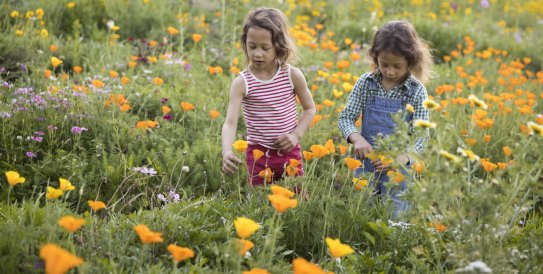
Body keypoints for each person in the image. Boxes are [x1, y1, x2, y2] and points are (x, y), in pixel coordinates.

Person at [338, 20, 433, 216]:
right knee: (361, 213)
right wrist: (357, 138)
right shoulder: (366, 83)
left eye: (397, 66)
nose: (389, 71)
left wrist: (403, 157)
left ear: (411, 61)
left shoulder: (416, 91)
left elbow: (421, 136)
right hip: (366, 163)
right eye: (384, 64)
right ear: (375, 58)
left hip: (400, 170)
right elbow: (346, 118)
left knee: (396, 216)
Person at [221, 7, 316, 186]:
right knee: (260, 205)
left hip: (290, 153)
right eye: (252, 46)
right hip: (258, 156)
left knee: (295, 201)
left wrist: (296, 135)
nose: (257, 53)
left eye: (265, 48)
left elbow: (310, 109)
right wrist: (227, 151)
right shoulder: (242, 82)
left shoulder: (292, 75)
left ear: (278, 47)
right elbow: (230, 123)